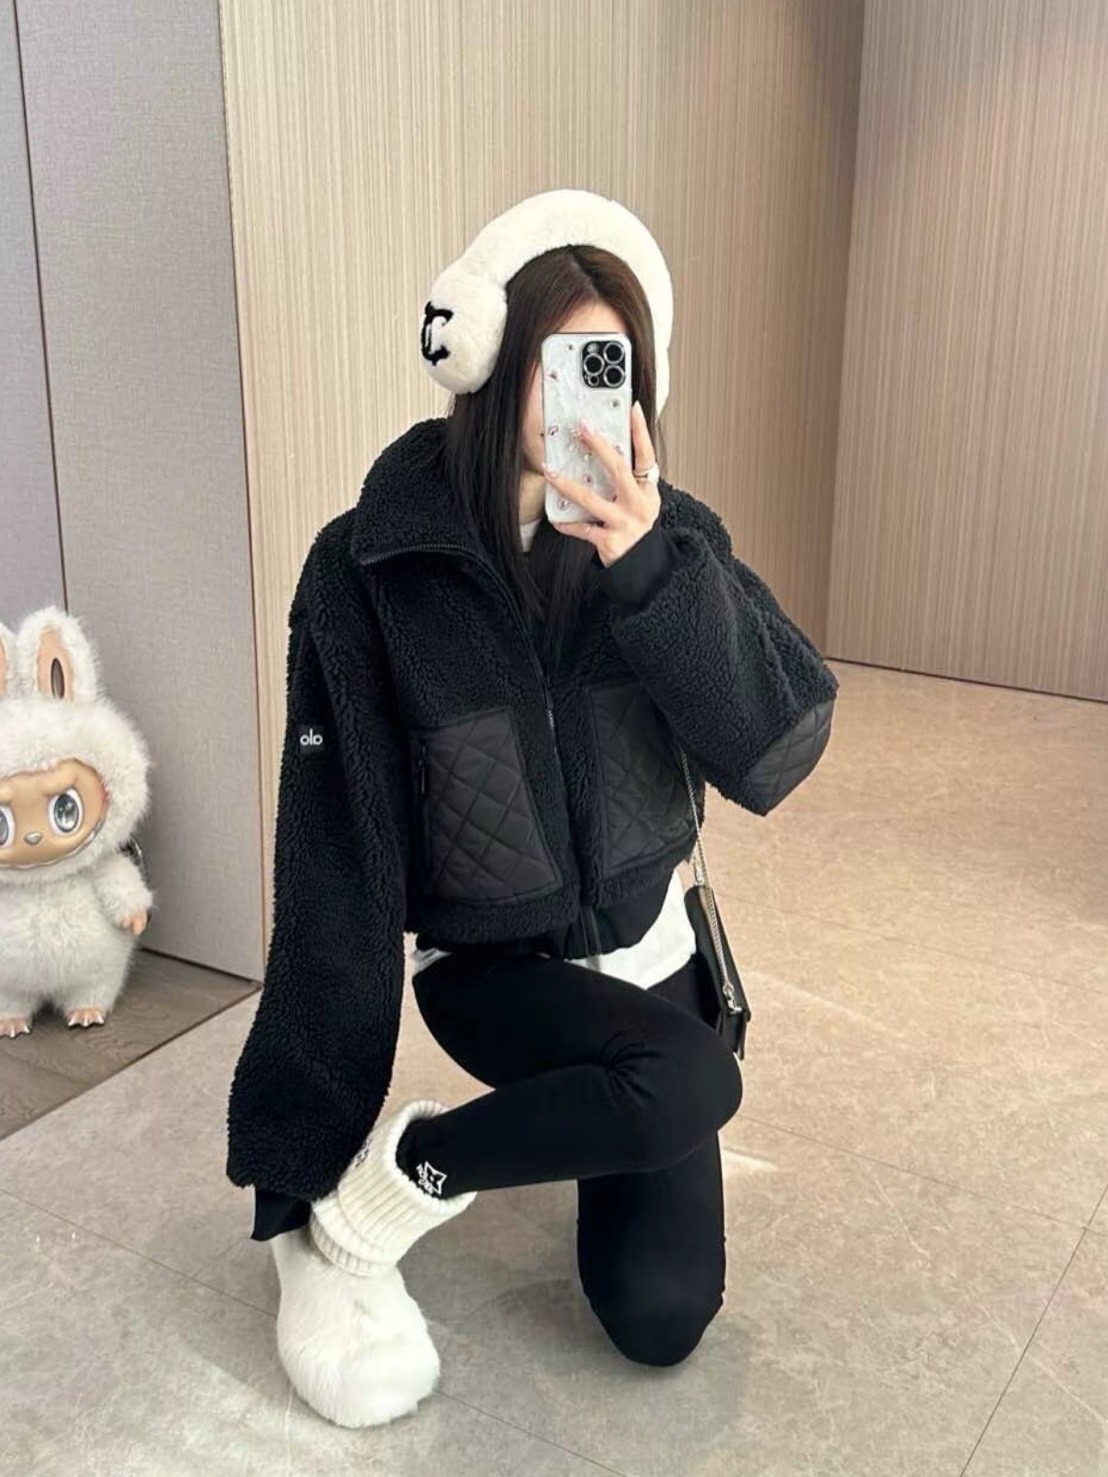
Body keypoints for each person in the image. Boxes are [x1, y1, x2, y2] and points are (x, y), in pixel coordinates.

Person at [224, 189, 839, 1430]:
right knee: (682, 1079)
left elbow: (775, 749)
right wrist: (297, 1175)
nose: (582, 402)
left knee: (661, 1315)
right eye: (561, 365)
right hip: (496, 970)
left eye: (610, 371)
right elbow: (336, 866)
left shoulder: (672, 540)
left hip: (655, 961)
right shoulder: (370, 567)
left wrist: (653, 575)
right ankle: (383, 1194)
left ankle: (529, 1134)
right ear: (486, 361)